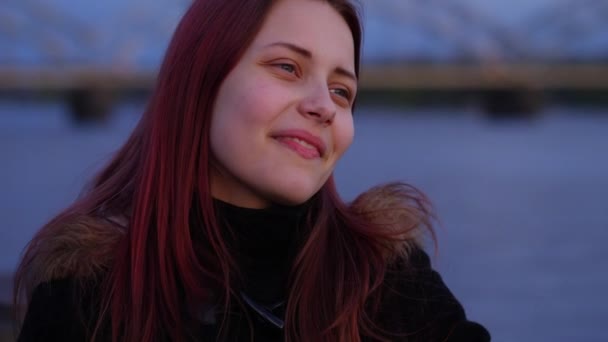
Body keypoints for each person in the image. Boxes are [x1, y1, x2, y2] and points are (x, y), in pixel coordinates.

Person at [14, 0, 491, 341]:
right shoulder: (84, 296)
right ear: (201, 81)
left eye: (343, 91)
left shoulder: (386, 278)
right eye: (287, 67)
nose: (324, 106)